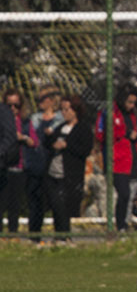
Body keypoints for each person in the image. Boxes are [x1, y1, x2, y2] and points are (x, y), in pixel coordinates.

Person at [96, 84, 137, 231]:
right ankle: (119, 225)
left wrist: (135, 136)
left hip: (131, 158)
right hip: (117, 161)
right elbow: (102, 133)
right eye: (129, 102)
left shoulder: (132, 114)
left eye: (134, 102)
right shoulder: (109, 112)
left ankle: (125, 223)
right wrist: (125, 133)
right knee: (123, 193)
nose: (131, 105)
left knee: (129, 196)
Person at [44, 94, 93, 235]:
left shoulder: (82, 128)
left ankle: (65, 235)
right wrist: (48, 137)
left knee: (64, 206)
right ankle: (58, 234)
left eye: (67, 110)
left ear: (75, 111)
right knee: (55, 204)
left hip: (70, 174)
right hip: (54, 172)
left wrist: (67, 145)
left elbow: (85, 149)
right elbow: (49, 145)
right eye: (62, 110)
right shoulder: (60, 128)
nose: (64, 113)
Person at [0, 89, 39, 234]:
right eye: (9, 105)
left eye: (16, 105)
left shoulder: (24, 122)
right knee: (1, 202)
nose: (12, 109)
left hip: (19, 166)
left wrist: (22, 137)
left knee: (14, 204)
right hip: (3, 166)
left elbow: (34, 142)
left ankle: (12, 233)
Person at [28, 85, 63, 237]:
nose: (40, 102)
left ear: (51, 100)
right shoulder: (35, 118)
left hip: (53, 163)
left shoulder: (60, 118)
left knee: (55, 201)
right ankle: (35, 234)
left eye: (43, 99)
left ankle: (60, 234)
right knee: (35, 201)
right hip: (36, 162)